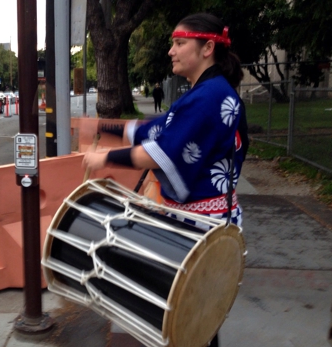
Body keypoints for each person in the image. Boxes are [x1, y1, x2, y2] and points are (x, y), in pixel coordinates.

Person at [82, 13, 249, 346]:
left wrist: (103, 158)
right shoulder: (204, 92)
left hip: (202, 223)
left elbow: (162, 152)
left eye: (179, 43)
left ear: (207, 48)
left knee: (192, 321)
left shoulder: (210, 96)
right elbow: (155, 131)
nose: (171, 51)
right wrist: (101, 127)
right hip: (201, 222)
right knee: (194, 320)